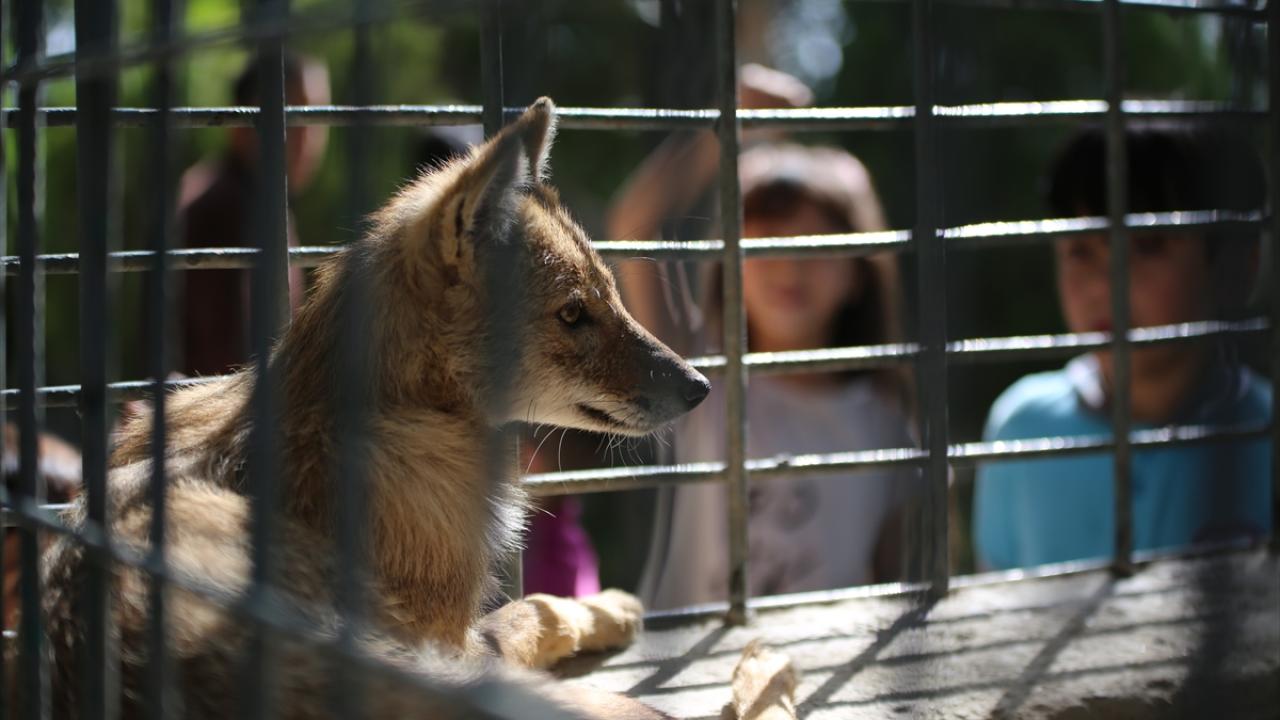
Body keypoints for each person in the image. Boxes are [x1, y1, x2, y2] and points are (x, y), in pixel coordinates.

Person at [610, 66, 923, 610]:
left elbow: (897, 581)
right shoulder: (699, 376)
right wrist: (724, 124)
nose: (789, 267)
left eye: (813, 245)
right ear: (729, 269)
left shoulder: (886, 417)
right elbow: (633, 225)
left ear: (857, 274)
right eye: (766, 244)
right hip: (683, 680)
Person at [973, 124, 1273, 570]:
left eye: (1146, 246)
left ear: (1235, 268)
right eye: (1079, 250)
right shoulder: (1022, 429)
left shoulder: (1265, 432)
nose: (1103, 282)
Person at [177, 52, 330, 377]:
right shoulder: (221, 206)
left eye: (316, 116)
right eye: (291, 117)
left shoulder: (259, 201)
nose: (307, 137)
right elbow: (228, 361)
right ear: (241, 125)